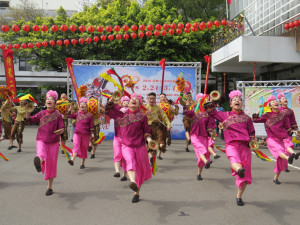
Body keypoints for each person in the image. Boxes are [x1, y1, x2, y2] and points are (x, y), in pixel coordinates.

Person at [208, 90, 255, 206]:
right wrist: (211, 100)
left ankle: (239, 197)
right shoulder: (225, 115)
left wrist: (253, 143)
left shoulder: (247, 118)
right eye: (234, 99)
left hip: (245, 147)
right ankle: (239, 170)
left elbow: (252, 133)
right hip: (231, 145)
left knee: (245, 176)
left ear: (241, 103)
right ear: (230, 104)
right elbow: (210, 111)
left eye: (239, 99)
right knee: (234, 161)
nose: (237, 100)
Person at [105, 93, 153, 203]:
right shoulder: (121, 114)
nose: (134, 100)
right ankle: (132, 182)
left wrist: (149, 140)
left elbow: (146, 131)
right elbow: (109, 108)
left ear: (139, 104)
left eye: (137, 99)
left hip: (140, 146)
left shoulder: (142, 116)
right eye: (132, 99)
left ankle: (137, 192)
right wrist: (113, 98)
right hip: (126, 146)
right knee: (130, 161)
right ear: (129, 103)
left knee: (140, 171)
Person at [253, 95, 300, 184]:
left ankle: (293, 154)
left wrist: (294, 131)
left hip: (282, 137)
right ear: (270, 106)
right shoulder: (266, 115)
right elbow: (255, 120)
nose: (275, 102)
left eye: (276, 101)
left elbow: (288, 126)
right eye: (273, 102)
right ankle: (289, 157)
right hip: (272, 139)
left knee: (287, 147)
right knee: (280, 151)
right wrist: (258, 110)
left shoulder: (283, 115)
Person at [26, 90, 64, 196]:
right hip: (41, 138)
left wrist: (61, 130)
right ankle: (39, 162)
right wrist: (27, 113)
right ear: (46, 102)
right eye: (47, 99)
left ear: (55, 102)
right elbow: (31, 120)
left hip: (54, 141)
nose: (49, 100)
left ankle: (49, 187)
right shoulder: (41, 113)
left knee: (51, 164)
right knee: (41, 153)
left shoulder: (58, 115)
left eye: (51, 99)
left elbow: (61, 127)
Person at [183, 93, 216, 181]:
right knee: (201, 149)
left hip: (204, 136)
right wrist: (186, 104)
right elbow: (185, 112)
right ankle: (206, 162)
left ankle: (199, 173)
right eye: (201, 100)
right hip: (194, 135)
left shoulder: (208, 114)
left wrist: (211, 131)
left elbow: (210, 125)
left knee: (201, 155)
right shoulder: (194, 111)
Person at [67, 97, 94, 169]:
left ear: (86, 106)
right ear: (79, 106)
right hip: (77, 133)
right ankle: (72, 160)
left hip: (86, 135)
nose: (82, 105)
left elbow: (91, 126)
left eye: (84, 104)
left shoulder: (90, 116)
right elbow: (68, 116)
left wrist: (92, 134)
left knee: (84, 148)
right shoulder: (77, 113)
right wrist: (70, 109)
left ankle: (82, 163)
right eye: (81, 104)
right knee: (76, 146)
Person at [145, 92, 171, 163]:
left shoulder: (157, 107)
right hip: (146, 128)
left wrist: (168, 125)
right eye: (150, 99)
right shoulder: (144, 107)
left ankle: (151, 159)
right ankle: (150, 158)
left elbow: (164, 116)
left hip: (154, 128)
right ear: (148, 99)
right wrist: (145, 113)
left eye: (153, 99)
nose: (152, 100)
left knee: (154, 143)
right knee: (149, 142)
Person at [277, 92, 299, 172]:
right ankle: (282, 166)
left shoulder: (290, 111)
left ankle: (285, 166)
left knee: (288, 149)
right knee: (284, 149)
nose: (285, 99)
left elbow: (293, 122)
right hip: (280, 133)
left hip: (289, 132)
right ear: (280, 102)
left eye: (285, 98)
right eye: (283, 99)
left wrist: (296, 131)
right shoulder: (278, 111)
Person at [111, 96, 129, 181]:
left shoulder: (132, 114)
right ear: (121, 103)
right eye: (124, 101)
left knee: (125, 157)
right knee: (117, 154)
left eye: (127, 101)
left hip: (127, 139)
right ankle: (117, 171)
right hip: (117, 137)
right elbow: (109, 107)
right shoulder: (116, 113)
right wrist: (112, 99)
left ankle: (125, 174)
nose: (125, 102)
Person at [158, 93, 179, 159]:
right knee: (161, 137)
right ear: (160, 99)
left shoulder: (170, 107)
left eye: (164, 97)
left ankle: (159, 153)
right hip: (159, 124)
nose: (163, 98)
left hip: (167, 125)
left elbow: (175, 113)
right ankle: (157, 150)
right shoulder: (157, 106)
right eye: (161, 97)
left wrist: (176, 108)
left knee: (166, 138)